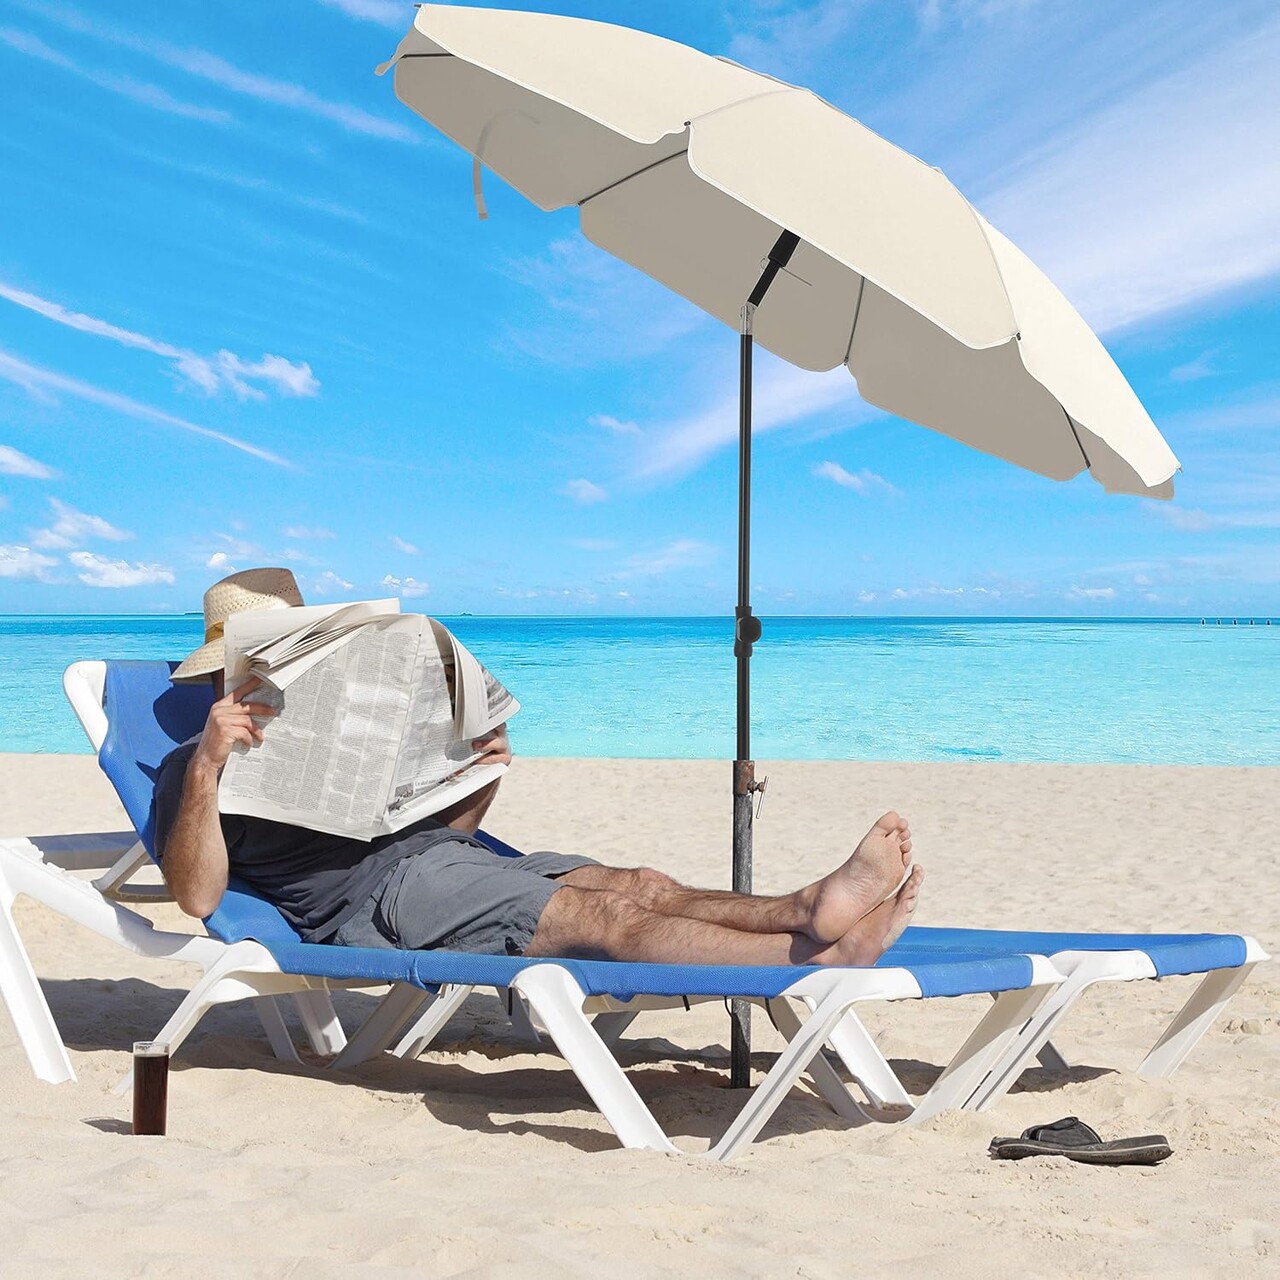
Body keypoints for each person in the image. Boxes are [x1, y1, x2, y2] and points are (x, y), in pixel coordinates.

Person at [155, 568, 924, 967]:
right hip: (384, 903)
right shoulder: (190, 767)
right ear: (229, 670)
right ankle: (817, 956)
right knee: (608, 921)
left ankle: (806, 906)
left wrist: (479, 772)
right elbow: (196, 896)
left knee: (643, 885)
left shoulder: (344, 724)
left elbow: (446, 836)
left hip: (448, 863)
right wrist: (208, 769)